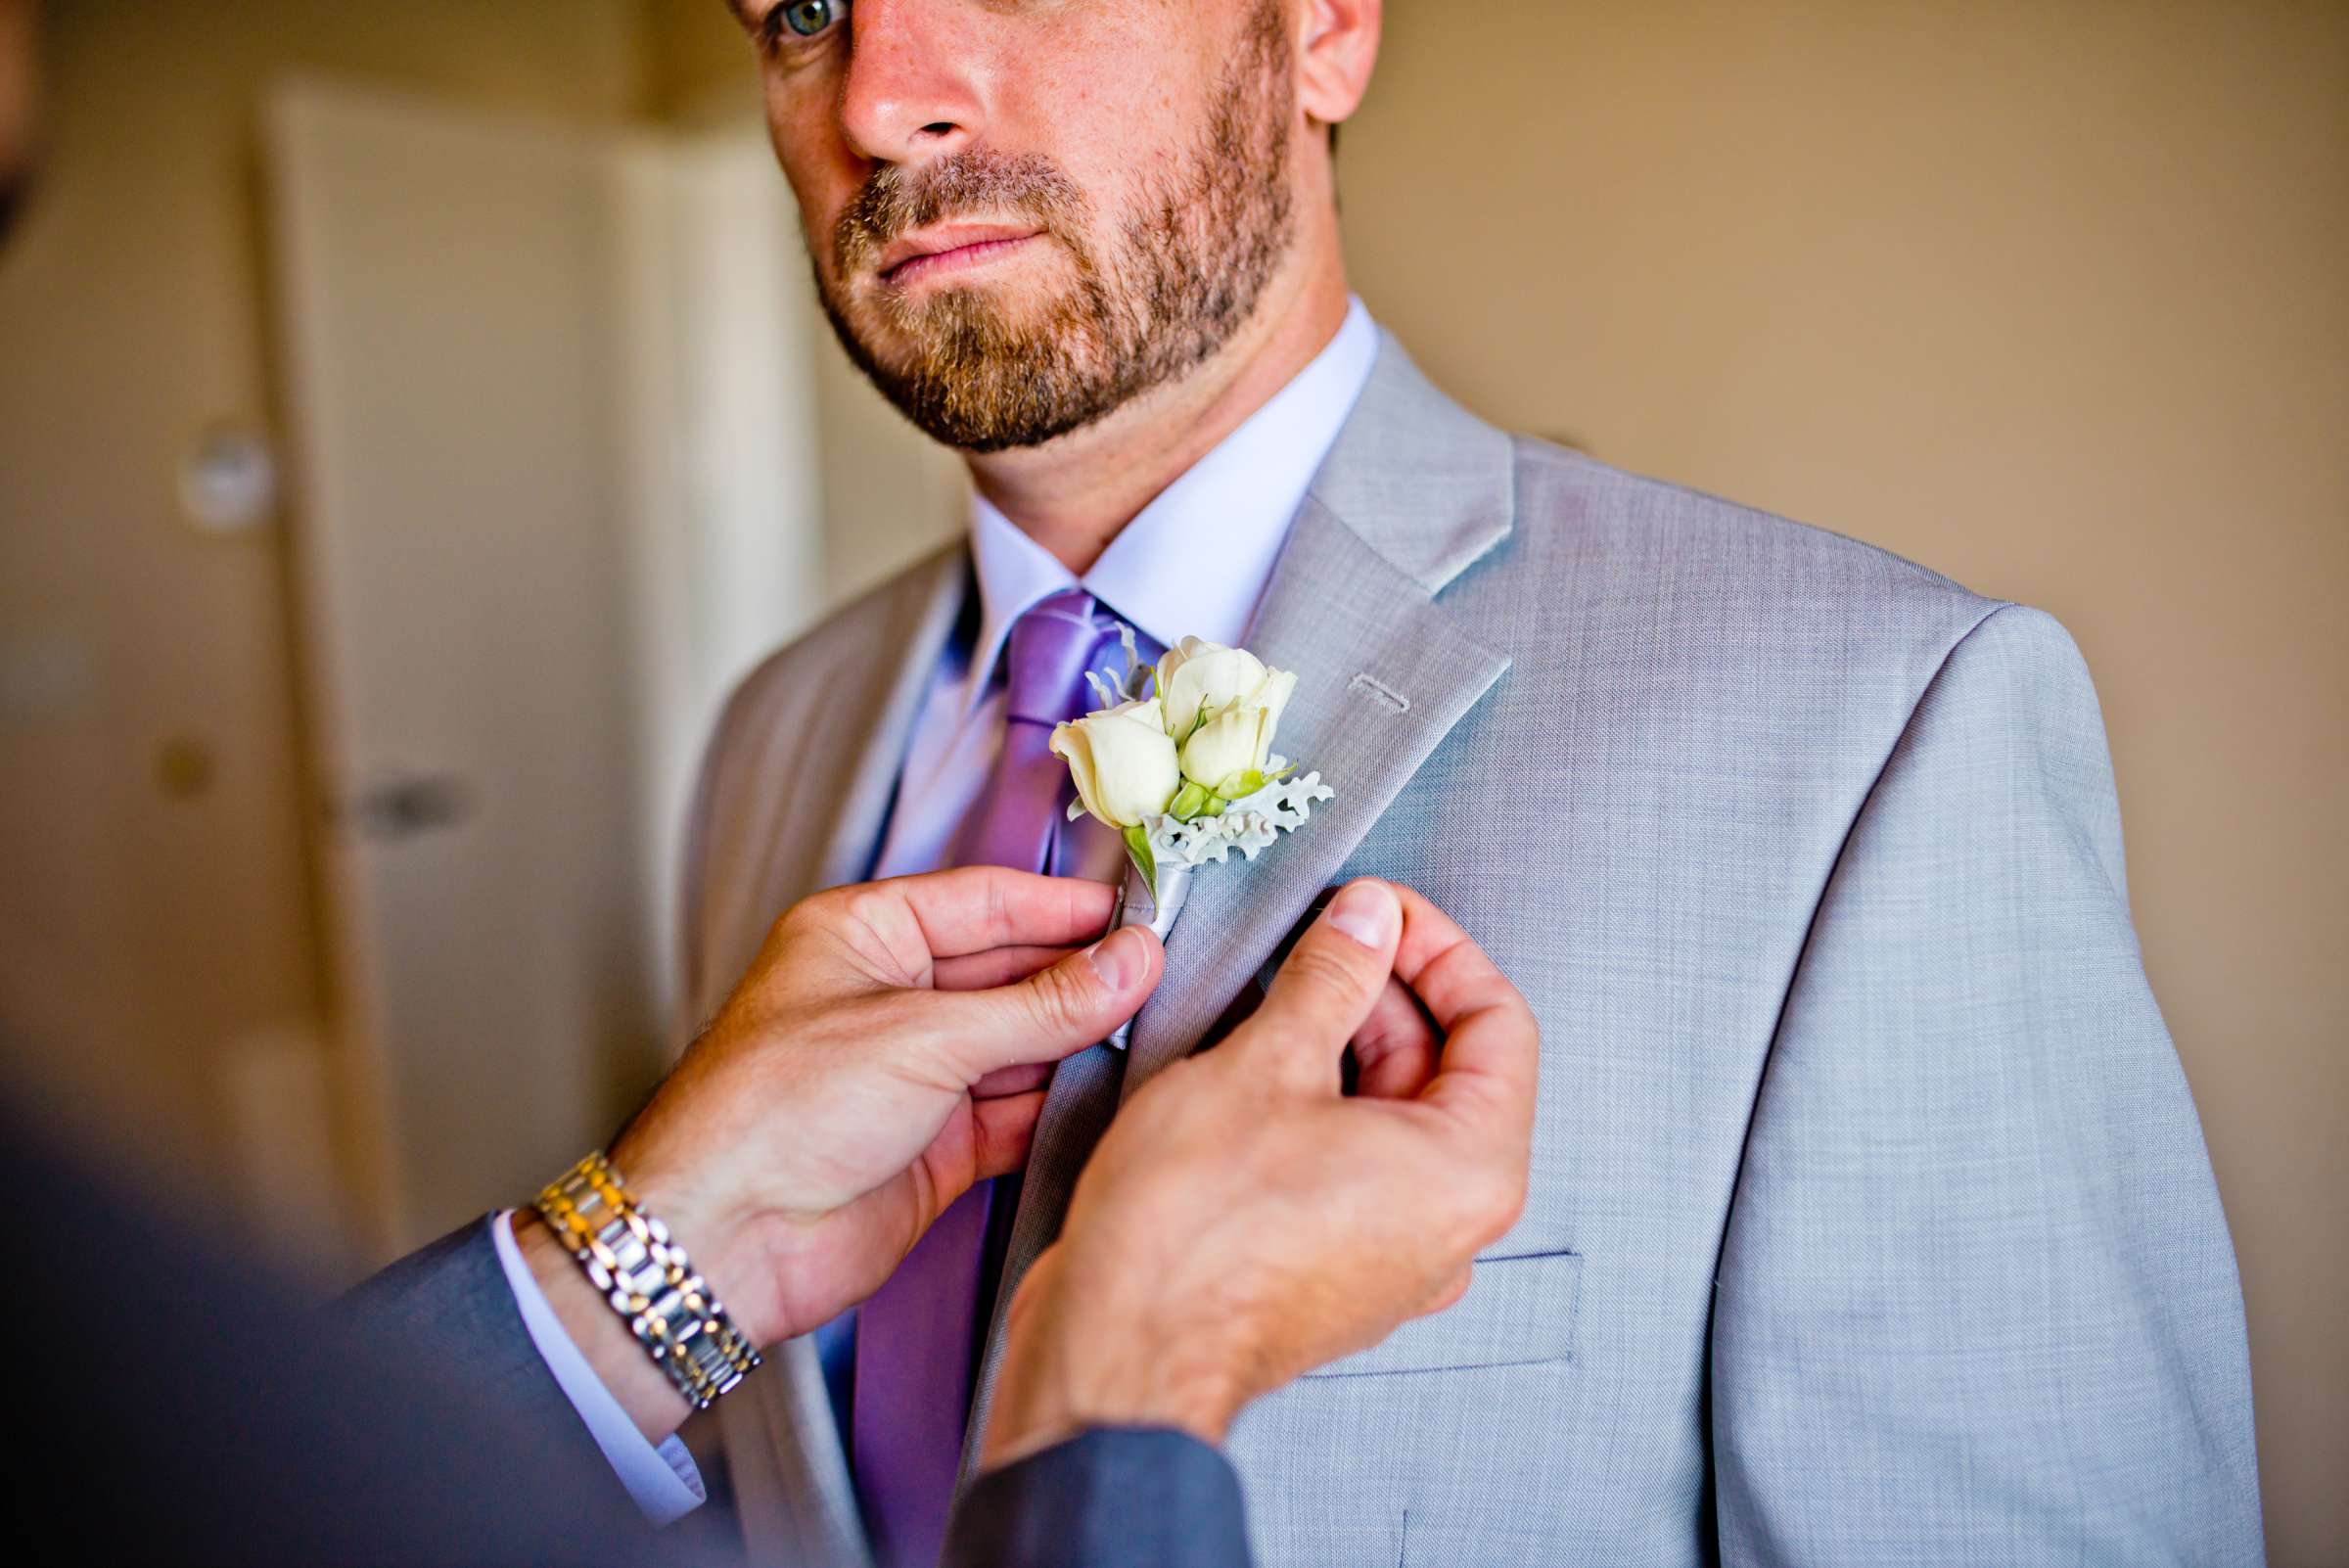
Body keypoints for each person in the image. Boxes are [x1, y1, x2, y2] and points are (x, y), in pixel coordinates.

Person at [610, 2, 2249, 1565]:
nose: (880, 99)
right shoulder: (774, 740)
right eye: (807, 8)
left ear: (1321, 25)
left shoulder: (1875, 735)